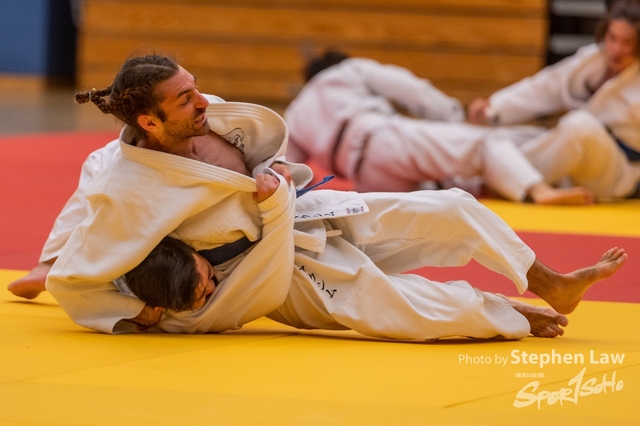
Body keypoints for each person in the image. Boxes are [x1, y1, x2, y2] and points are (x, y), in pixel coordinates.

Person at [7, 54, 627, 341]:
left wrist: (276, 175)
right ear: (148, 121)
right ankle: (511, 314)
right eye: (185, 99)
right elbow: (79, 259)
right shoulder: (124, 182)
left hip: (307, 212)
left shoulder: (211, 117)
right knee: (403, 310)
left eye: (195, 87)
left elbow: (261, 141)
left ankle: (548, 282)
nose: (202, 101)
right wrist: (114, 304)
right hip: (270, 267)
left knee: (454, 206)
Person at [284, 51, 594, 205]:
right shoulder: (344, 71)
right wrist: (450, 115)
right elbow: (409, 88)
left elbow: (287, 166)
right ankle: (538, 191)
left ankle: (498, 183)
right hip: (381, 138)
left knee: (436, 203)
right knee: (482, 144)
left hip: (365, 179)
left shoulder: (295, 113)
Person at [468, 0, 640, 201]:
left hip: (616, 175)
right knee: (496, 139)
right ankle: (522, 183)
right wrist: (496, 105)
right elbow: (545, 86)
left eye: (627, 42)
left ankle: (506, 181)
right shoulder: (591, 59)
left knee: (581, 125)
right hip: (574, 165)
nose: (617, 48)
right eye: (612, 38)